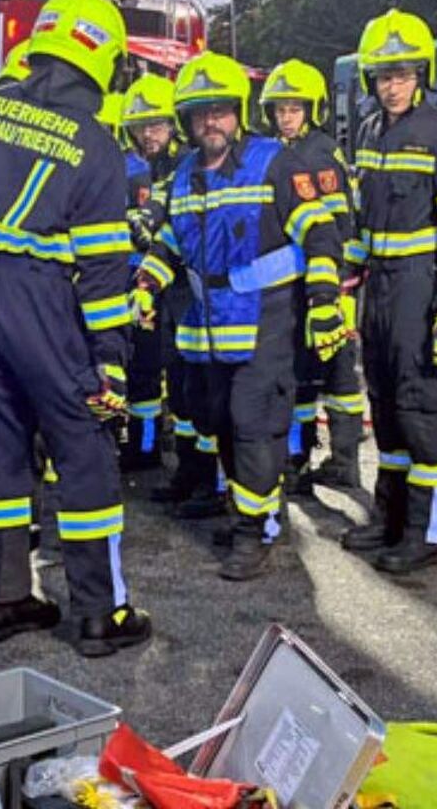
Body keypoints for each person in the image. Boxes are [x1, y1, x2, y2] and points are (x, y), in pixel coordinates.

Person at [0, 0, 151, 657]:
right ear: (102, 58)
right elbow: (104, 270)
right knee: (83, 451)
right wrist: (108, 360)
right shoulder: (94, 143)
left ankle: (3, 598)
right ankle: (99, 615)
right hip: (39, 301)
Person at [131, 52, 347, 581]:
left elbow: (320, 234)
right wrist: (148, 284)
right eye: (201, 113)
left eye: (222, 111)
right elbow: (169, 244)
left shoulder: (275, 161)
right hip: (208, 326)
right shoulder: (181, 176)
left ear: (239, 112)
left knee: (252, 425)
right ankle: (253, 512)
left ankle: (256, 532)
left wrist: (323, 303)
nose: (212, 122)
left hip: (267, 319)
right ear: (187, 120)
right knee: (221, 422)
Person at [340, 9, 437, 575]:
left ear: (421, 74)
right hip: (379, 293)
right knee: (388, 410)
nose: (391, 85)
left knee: (424, 413)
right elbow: (362, 224)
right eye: (382, 75)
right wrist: (344, 287)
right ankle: (390, 518)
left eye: (401, 74)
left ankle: (428, 534)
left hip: (421, 293)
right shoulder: (372, 132)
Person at [260, 58, 367, 493]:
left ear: (313, 109)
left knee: (339, 374)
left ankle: (345, 460)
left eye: (294, 108)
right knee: (300, 375)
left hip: (331, 285)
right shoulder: (275, 152)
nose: (286, 117)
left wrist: (338, 289)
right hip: (295, 284)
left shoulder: (320, 154)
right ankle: (297, 456)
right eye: (280, 109)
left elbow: (337, 228)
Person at [120, 75, 182, 476]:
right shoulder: (130, 168)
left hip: (182, 283)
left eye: (157, 124)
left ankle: (172, 441)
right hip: (142, 278)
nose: (149, 133)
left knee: (178, 366)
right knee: (143, 364)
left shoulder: (187, 164)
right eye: (142, 126)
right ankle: (144, 447)